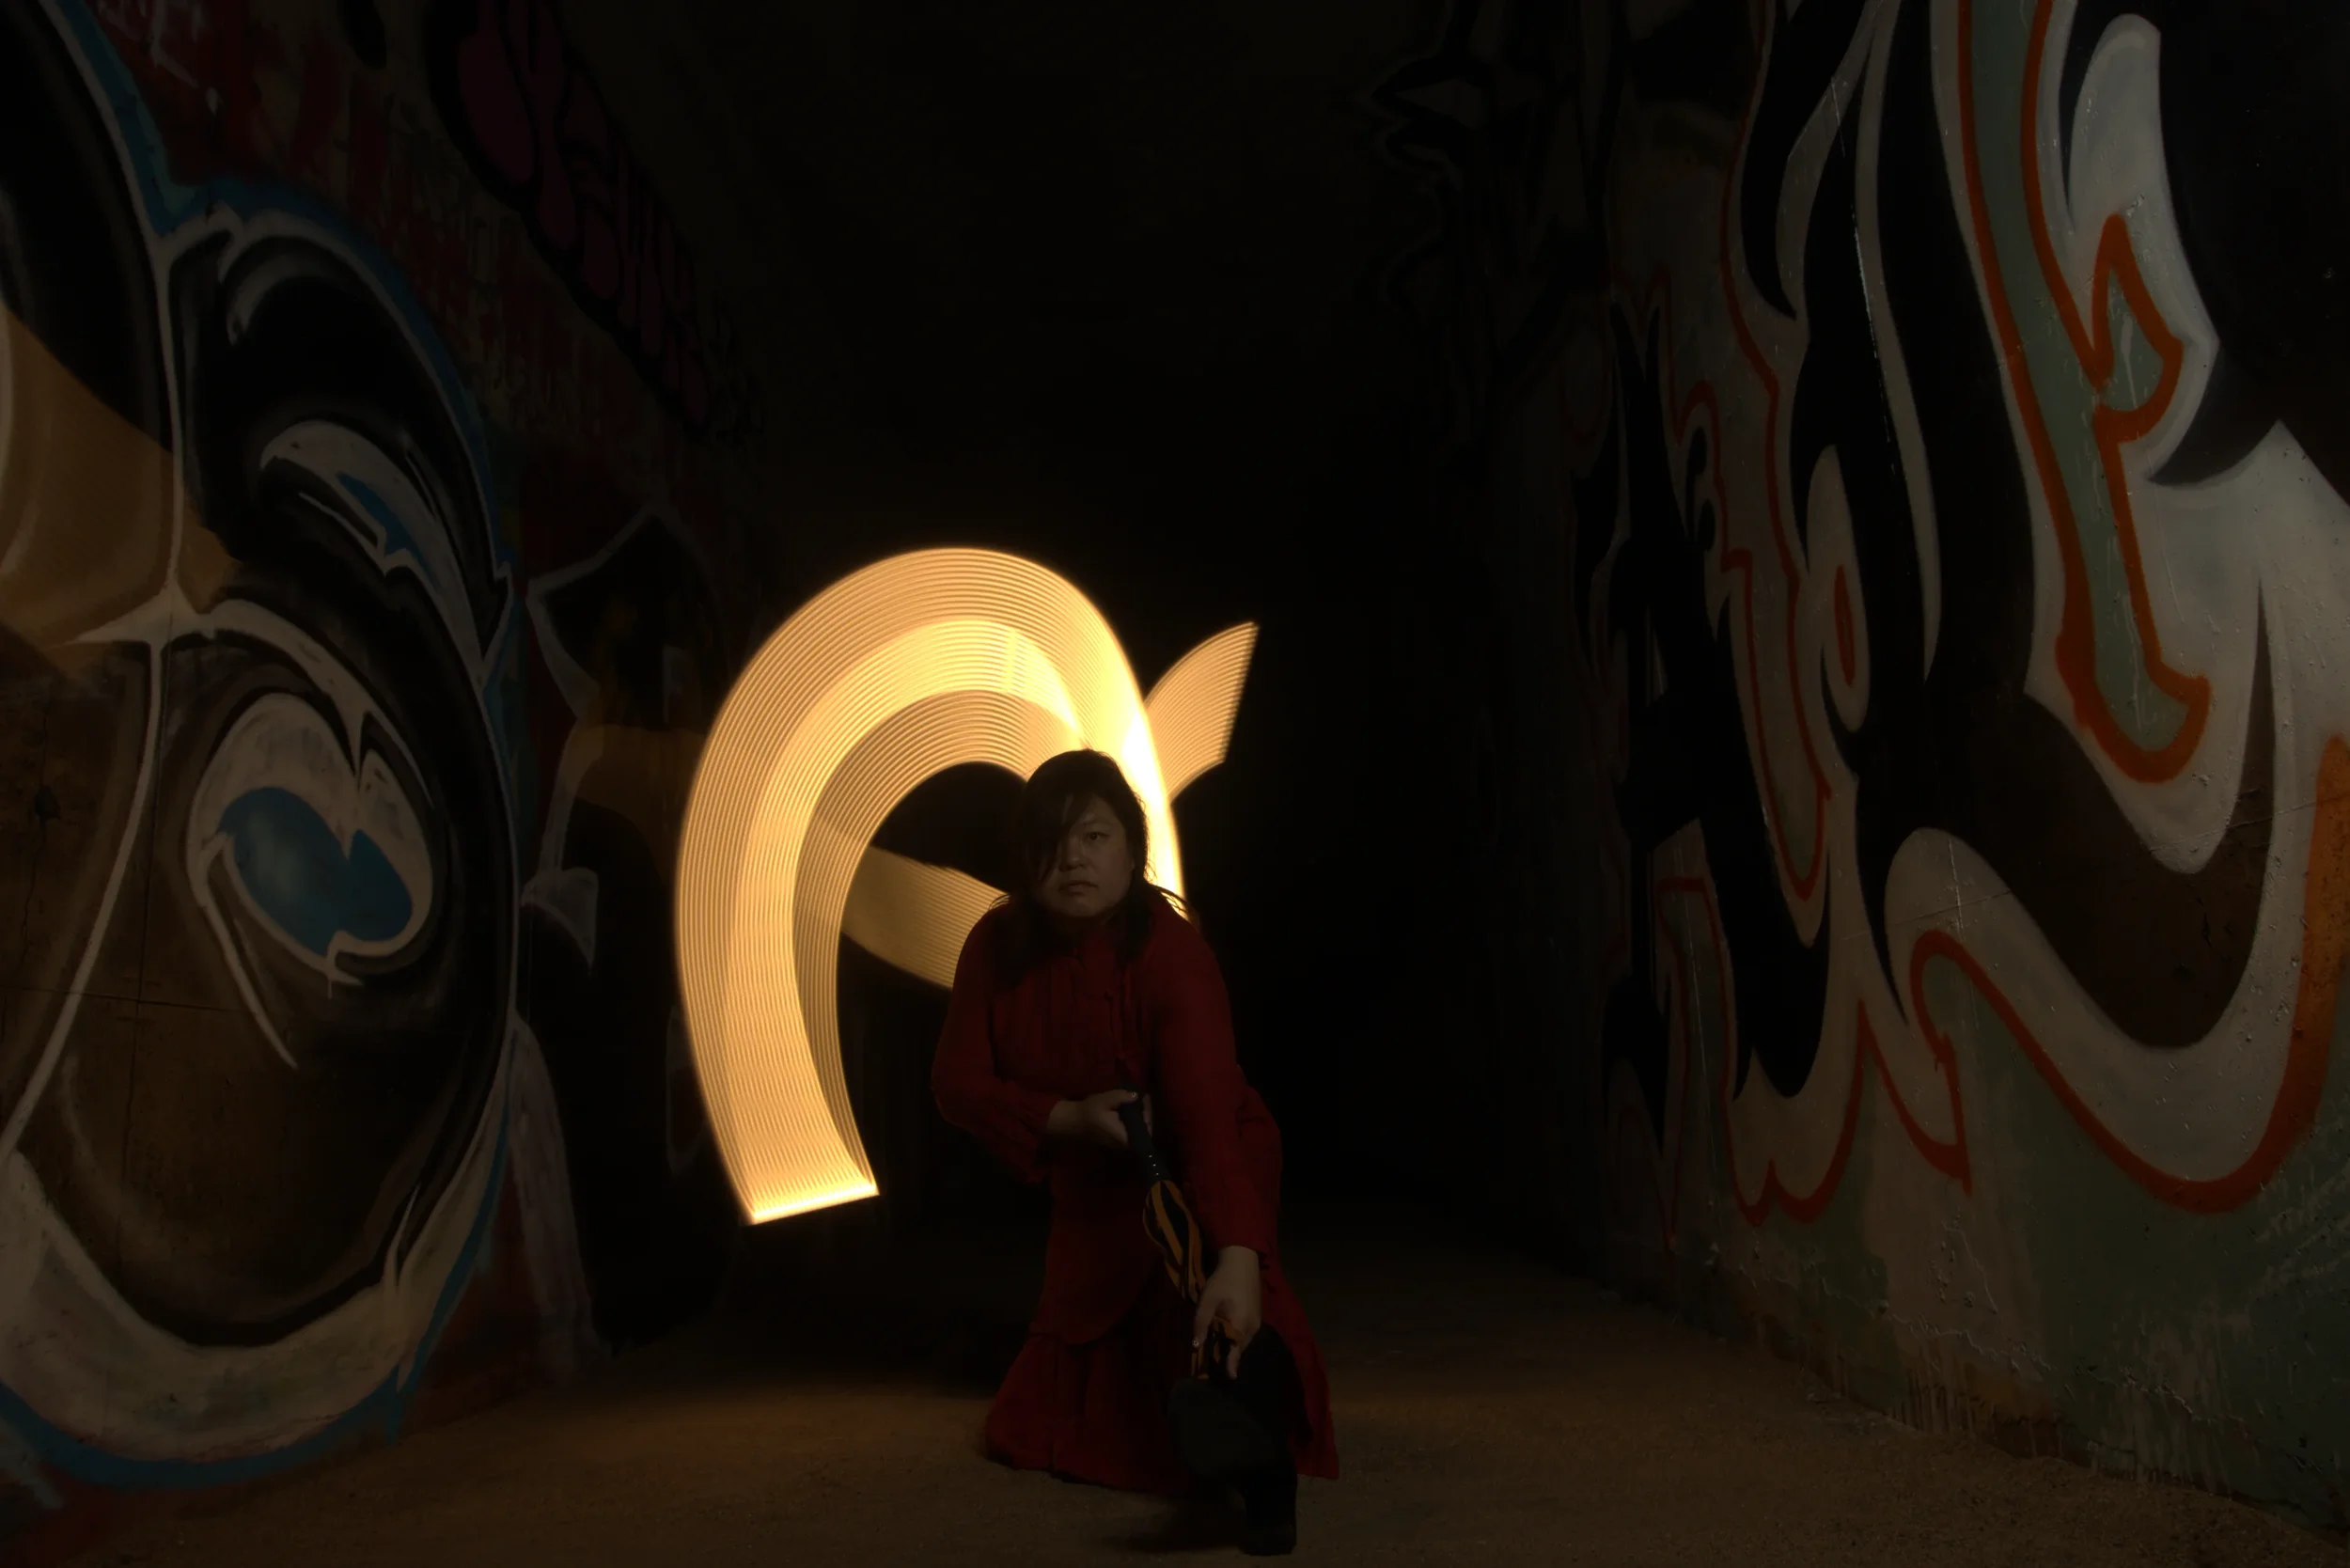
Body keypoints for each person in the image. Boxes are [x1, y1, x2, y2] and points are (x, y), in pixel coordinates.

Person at [931, 749, 1338, 1555]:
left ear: (1131, 847)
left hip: (1198, 1167)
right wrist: (1066, 1119)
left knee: (1221, 1330)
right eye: (1052, 841)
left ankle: (1260, 1474)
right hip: (1096, 1193)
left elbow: (1210, 1122)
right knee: (1035, 1421)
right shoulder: (995, 944)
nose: (1074, 859)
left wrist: (1238, 1256)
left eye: (1094, 836)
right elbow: (957, 1083)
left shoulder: (1173, 953)